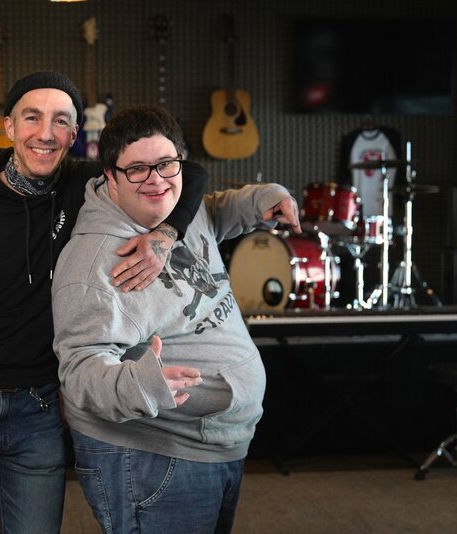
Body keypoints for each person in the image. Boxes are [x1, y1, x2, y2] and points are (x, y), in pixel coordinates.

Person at [0, 72, 212, 534]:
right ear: (10, 126)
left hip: (39, 411)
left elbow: (190, 172)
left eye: (61, 121)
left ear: (75, 136)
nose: (46, 133)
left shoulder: (85, 187)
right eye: (32, 117)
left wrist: (164, 234)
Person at [51, 106, 300, 533]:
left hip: (215, 445)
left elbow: (219, 208)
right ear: (109, 176)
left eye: (166, 164)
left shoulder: (178, 209)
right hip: (152, 457)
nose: (156, 179)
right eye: (138, 169)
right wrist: (143, 384)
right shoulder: (94, 264)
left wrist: (266, 197)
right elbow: (77, 372)